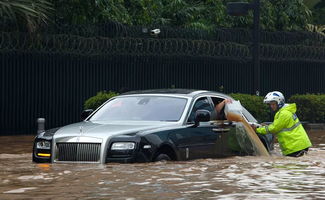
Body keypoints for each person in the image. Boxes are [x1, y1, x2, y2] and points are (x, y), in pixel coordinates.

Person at [252, 91, 312, 157]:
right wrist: (267, 126)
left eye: (273, 104)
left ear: (279, 103)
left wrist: (257, 129)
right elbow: (278, 126)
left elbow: (274, 128)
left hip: (295, 146)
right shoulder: (284, 111)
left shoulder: (283, 113)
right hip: (297, 145)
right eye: (270, 104)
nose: (271, 106)